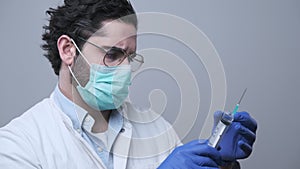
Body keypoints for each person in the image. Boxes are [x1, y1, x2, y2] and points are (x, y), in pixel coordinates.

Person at [0, 0, 257, 169]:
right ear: (68, 50)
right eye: (112, 54)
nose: (125, 69)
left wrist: (221, 160)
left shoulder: (156, 128)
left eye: (130, 57)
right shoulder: (19, 144)